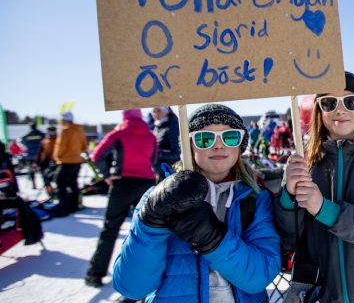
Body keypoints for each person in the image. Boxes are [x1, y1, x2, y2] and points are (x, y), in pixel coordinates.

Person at [113, 103, 280, 302]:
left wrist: (214, 239)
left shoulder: (255, 199)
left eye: (230, 136)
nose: (218, 145)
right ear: (188, 145)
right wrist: (149, 227)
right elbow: (132, 287)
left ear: (240, 144)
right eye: (205, 139)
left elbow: (259, 277)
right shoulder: (157, 197)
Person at [275, 71, 354, 302]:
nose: (340, 110)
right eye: (329, 102)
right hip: (321, 292)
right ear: (319, 110)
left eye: (351, 102)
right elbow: (289, 239)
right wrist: (288, 198)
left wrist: (323, 208)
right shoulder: (304, 161)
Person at [85, 109, 158, 289]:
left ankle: (95, 274)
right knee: (147, 231)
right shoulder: (151, 136)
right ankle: (147, 277)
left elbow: (96, 156)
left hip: (123, 183)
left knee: (110, 229)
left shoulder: (118, 134)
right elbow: (155, 161)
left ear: (124, 117)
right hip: (146, 184)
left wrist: (106, 175)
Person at [53, 112, 88, 216]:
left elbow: (60, 146)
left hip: (66, 161)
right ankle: (75, 205)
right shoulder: (79, 130)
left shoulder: (65, 131)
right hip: (77, 160)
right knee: (73, 183)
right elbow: (84, 146)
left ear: (65, 120)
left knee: (60, 183)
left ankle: (64, 208)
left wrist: (57, 157)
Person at [150, 106, 180, 181]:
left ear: (166, 111)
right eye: (154, 111)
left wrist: (156, 153)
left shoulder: (172, 126)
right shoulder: (157, 126)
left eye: (159, 110)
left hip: (170, 173)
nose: (156, 114)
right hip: (160, 172)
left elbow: (177, 154)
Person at [21, 123, 45, 188]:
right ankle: (46, 184)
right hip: (39, 155)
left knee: (32, 171)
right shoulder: (41, 134)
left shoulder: (27, 136)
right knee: (43, 170)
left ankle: (34, 184)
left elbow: (22, 141)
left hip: (30, 156)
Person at [37, 126, 58, 196]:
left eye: (51, 132)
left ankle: (58, 192)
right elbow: (40, 152)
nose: (50, 133)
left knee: (57, 178)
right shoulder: (45, 141)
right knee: (46, 179)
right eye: (48, 132)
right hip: (45, 163)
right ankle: (51, 193)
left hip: (57, 162)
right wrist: (37, 162)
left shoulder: (58, 140)